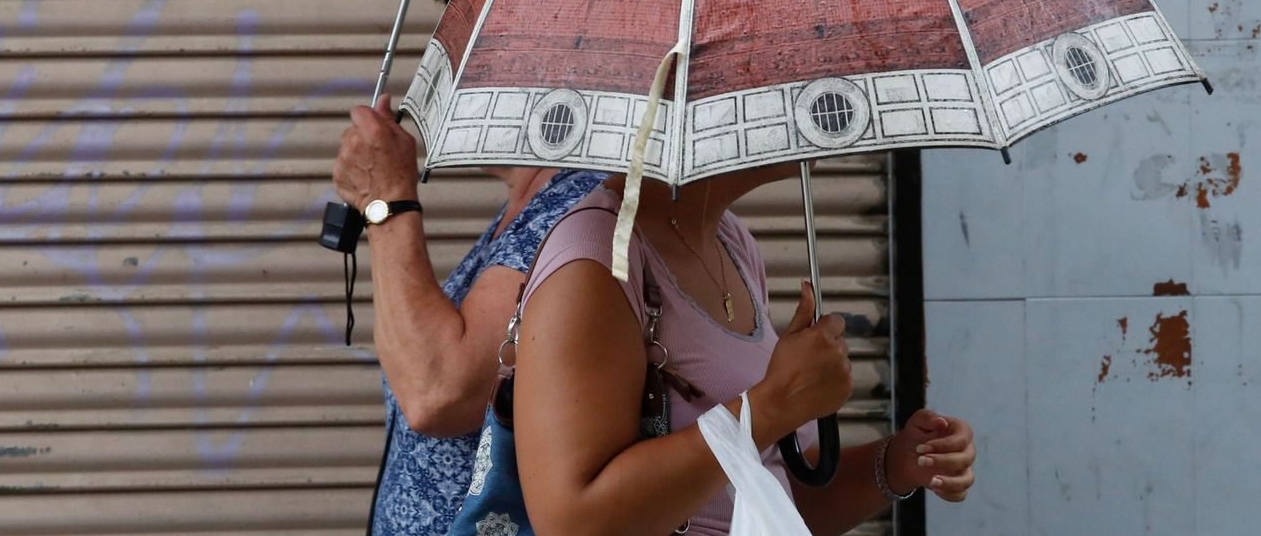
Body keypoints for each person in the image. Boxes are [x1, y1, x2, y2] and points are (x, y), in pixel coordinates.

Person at [514, 165, 977, 535]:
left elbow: (774, 495)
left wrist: (897, 463)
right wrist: (772, 404)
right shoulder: (596, 258)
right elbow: (575, 521)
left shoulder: (728, 241)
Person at [333, 94, 605, 536]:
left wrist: (386, 202)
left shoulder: (575, 208)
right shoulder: (533, 204)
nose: (446, 94)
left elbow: (437, 393)